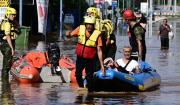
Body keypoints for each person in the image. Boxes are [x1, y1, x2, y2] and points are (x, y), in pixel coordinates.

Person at [66, 16, 105, 93]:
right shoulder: (80, 29)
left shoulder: (97, 34)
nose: (89, 26)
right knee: (78, 75)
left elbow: (99, 51)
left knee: (89, 77)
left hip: (90, 58)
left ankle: (90, 93)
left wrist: (102, 65)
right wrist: (67, 35)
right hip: (80, 57)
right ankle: (81, 88)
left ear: (93, 25)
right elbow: (70, 36)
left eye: (91, 24)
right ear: (85, 24)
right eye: (87, 24)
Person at [87, 7, 117, 71]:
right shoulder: (87, 23)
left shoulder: (100, 24)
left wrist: (101, 51)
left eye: (91, 13)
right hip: (99, 46)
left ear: (95, 14)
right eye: (88, 14)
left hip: (109, 46)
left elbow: (107, 40)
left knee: (108, 63)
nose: (89, 15)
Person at [0, 7, 20, 79]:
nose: (14, 16)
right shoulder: (8, 23)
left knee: (7, 64)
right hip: (7, 45)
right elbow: (8, 36)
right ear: (8, 14)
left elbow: (18, 26)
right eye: (12, 15)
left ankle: (5, 83)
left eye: (15, 15)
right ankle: (5, 85)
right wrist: (12, 48)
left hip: (4, 44)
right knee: (6, 67)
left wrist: (13, 19)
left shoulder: (6, 21)